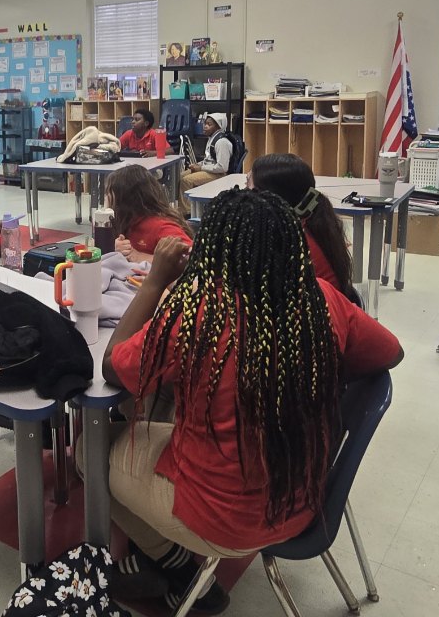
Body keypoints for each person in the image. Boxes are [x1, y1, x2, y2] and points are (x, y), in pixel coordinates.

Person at [101, 190, 402, 612]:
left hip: (223, 521)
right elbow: (391, 353)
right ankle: (166, 554)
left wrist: (154, 282)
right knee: (169, 400)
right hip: (301, 499)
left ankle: (179, 569)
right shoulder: (322, 298)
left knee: (89, 451)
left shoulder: (201, 312)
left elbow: (112, 367)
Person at [249, 153, 356, 300]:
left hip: (317, 312)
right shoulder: (309, 226)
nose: (242, 196)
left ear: (272, 199)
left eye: (248, 188)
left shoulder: (292, 244)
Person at [107, 164, 191, 263]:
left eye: (109, 192)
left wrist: (140, 257)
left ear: (124, 199)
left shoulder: (159, 226)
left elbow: (192, 258)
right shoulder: (125, 222)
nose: (106, 197)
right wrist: (115, 248)